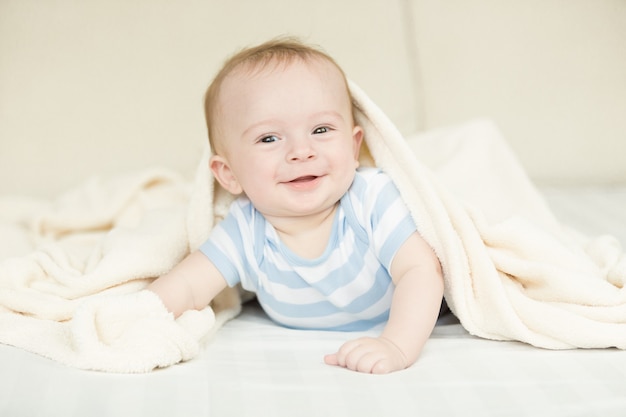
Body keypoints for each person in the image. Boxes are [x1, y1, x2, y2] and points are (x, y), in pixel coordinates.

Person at [148, 37, 444, 374]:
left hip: (397, 323)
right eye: (269, 138)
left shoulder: (371, 198)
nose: (302, 151)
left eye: (320, 129)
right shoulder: (247, 227)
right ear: (228, 174)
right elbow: (187, 286)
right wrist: (138, 313)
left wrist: (395, 344)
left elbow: (421, 272)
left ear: (353, 145)